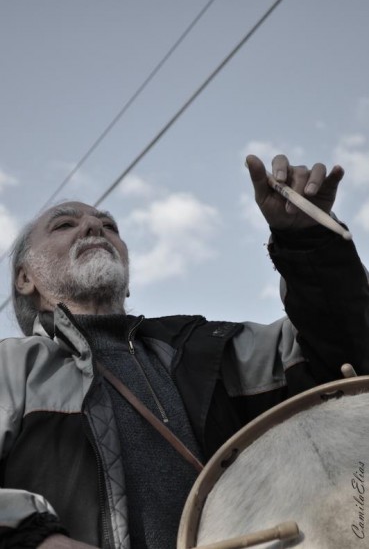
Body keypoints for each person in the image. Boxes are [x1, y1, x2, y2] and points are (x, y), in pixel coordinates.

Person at [1, 154, 369, 549]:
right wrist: (32, 538)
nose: (94, 226)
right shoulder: (11, 367)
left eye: (109, 226)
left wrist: (307, 243)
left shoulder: (202, 349)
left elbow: (339, 358)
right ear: (25, 278)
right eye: (65, 224)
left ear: (126, 281)